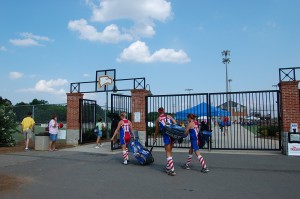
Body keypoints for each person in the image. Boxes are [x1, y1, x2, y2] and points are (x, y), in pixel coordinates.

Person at [154, 107, 177, 176]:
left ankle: (172, 170)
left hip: (166, 136)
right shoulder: (169, 116)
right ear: (164, 111)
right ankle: (168, 167)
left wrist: (155, 137)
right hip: (172, 135)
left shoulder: (158, 119)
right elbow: (175, 123)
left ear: (158, 112)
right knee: (170, 151)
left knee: (167, 152)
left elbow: (157, 130)